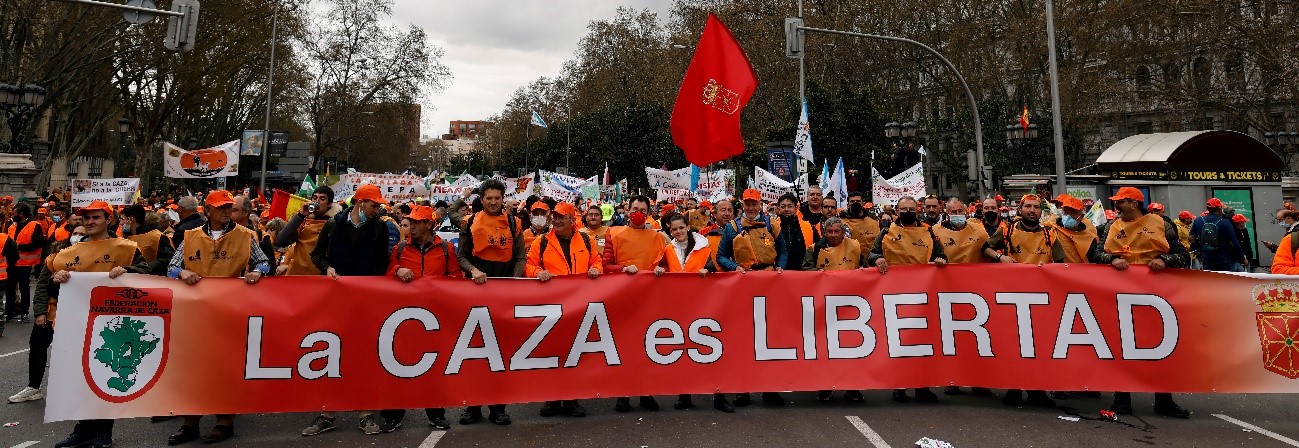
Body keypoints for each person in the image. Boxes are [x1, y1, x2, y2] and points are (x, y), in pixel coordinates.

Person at [166, 190, 271, 444]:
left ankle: (225, 423)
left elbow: (265, 262)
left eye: (229, 206)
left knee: (226, 368)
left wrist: (258, 271)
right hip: (197, 313)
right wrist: (181, 273)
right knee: (193, 369)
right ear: (207, 211)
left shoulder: (246, 236)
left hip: (230, 311)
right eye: (220, 207)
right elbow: (171, 267)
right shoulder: (190, 236)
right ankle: (189, 423)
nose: (226, 210)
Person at [47, 202, 150, 448]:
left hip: (114, 326)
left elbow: (147, 275)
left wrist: (128, 270)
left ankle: (102, 432)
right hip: (79, 324)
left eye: (95, 217)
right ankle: (83, 430)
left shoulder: (126, 248)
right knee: (81, 380)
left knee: (106, 377)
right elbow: (53, 285)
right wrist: (56, 279)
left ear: (108, 220)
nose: (90, 221)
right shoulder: (70, 251)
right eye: (87, 218)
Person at [1088, 187, 1191, 418]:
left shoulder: (1161, 224)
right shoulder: (1111, 227)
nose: (1116, 206)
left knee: (1160, 348)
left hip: (1157, 297)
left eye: (1120, 202)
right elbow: (1095, 254)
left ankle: (1164, 400)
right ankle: (1122, 399)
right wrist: (1112, 259)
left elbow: (1182, 255)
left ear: (1133, 203)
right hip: (1120, 296)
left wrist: (1164, 260)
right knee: (1121, 347)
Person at [302, 184, 393, 436]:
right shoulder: (333, 225)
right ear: (360, 203)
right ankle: (327, 413)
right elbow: (317, 255)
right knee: (332, 355)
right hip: (335, 301)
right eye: (374, 205)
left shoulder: (380, 227)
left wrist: (368, 291)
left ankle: (365, 413)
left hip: (364, 303)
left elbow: (381, 264)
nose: (378, 209)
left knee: (362, 357)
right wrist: (327, 269)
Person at [381, 205, 461, 432]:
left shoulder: (445, 249)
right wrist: (397, 269)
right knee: (398, 366)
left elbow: (455, 278)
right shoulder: (401, 248)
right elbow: (386, 275)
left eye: (416, 222)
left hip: (434, 319)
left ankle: (436, 414)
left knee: (433, 367)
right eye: (410, 222)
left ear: (429, 224)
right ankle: (393, 414)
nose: (412, 226)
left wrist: (440, 290)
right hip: (404, 317)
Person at [867, 196, 947, 404]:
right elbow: (871, 254)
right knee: (899, 341)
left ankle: (922, 388)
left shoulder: (928, 232)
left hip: (924, 295)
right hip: (895, 295)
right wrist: (878, 258)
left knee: (923, 342)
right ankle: (899, 386)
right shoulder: (886, 232)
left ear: (917, 210)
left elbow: (942, 255)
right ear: (898, 210)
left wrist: (941, 260)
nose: (908, 211)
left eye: (912, 208)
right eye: (904, 209)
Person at [650, 213, 732, 412]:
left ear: (688, 227)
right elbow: (659, 267)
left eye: (681, 228)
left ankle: (719, 395)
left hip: (705, 305)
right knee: (684, 351)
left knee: (712, 351)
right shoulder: (668, 249)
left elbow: (717, 268)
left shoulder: (704, 248)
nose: (678, 232)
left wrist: (708, 271)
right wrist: (659, 269)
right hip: (679, 306)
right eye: (674, 229)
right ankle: (684, 395)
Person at [455, 179, 521, 426]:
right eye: (489, 198)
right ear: (481, 200)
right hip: (475, 294)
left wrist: (514, 282)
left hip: (503, 296)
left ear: (503, 198)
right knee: (474, 353)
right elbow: (461, 256)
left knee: (500, 353)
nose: (493, 202)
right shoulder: (469, 223)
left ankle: (498, 407)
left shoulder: (514, 223)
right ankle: (472, 407)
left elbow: (520, 256)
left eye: (497, 198)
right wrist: (473, 271)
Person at [988, 194, 1064, 408]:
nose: (1032, 210)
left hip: (1041, 300)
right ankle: (1013, 389)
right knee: (1014, 345)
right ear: (1020, 209)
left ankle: (1036, 391)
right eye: (1028, 206)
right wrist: (1000, 257)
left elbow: (1061, 263)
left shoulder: (1050, 233)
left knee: (1038, 346)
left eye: (1036, 207)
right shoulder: (1007, 230)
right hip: (1012, 297)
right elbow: (986, 248)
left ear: (1041, 211)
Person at [524, 202, 598, 418]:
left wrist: (595, 268)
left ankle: (571, 398)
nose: (556, 220)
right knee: (552, 352)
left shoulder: (586, 240)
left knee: (575, 354)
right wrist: (537, 272)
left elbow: (597, 261)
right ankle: (552, 398)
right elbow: (528, 266)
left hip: (578, 305)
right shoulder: (543, 241)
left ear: (572, 220)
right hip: (551, 306)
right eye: (554, 217)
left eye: (561, 217)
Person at [602, 195, 666, 413]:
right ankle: (624, 394)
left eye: (642, 209)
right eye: (634, 208)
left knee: (648, 346)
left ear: (648, 212)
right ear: (628, 210)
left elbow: (666, 264)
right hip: (624, 298)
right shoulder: (614, 233)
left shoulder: (658, 237)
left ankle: (647, 393)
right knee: (625, 347)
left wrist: (661, 270)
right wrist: (623, 269)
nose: (637, 212)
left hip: (649, 299)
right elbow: (606, 265)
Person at [802, 216, 868, 404]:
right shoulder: (814, 249)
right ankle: (825, 386)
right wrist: (816, 275)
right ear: (825, 232)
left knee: (852, 346)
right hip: (825, 305)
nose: (833, 235)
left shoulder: (855, 246)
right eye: (829, 231)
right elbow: (805, 270)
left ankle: (852, 387)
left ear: (842, 232)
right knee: (827, 347)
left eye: (836, 231)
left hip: (851, 304)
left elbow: (864, 267)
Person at [717, 189, 788, 274]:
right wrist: (735, 267)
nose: (751, 208)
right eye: (747, 204)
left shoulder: (772, 224)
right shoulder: (732, 227)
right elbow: (721, 256)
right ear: (743, 205)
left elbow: (783, 251)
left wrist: (780, 266)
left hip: (768, 276)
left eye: (754, 204)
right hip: (743, 276)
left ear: (760, 205)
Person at [275, 186, 340, 275]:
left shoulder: (335, 223)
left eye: (322, 199)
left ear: (329, 204)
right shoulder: (303, 221)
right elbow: (281, 241)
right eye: (315, 198)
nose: (317, 201)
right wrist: (300, 215)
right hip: (297, 275)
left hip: (321, 277)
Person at [7, 203, 45, 323]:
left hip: (25, 263)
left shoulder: (34, 225)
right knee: (10, 288)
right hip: (11, 263)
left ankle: (24, 311)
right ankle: (9, 312)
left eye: (15, 213)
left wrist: (21, 247)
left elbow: (39, 243)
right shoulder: (11, 226)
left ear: (21, 214)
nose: (13, 216)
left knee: (24, 288)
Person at [1190, 197, 1246, 272]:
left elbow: (1191, 238)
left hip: (1207, 258)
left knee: (1212, 281)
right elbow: (1234, 242)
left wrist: (1200, 249)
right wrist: (1243, 259)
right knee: (1228, 281)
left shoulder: (1198, 220)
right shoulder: (1225, 222)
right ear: (1219, 208)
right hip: (1224, 259)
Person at [120, 205, 176, 275]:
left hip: (150, 280)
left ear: (131, 219)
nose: (121, 223)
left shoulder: (158, 237)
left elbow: (168, 259)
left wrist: (145, 268)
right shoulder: (125, 237)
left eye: (122, 219)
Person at [931, 198, 990, 265]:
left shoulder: (978, 229)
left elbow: (989, 249)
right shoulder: (936, 231)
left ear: (965, 212)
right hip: (950, 273)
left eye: (960, 211)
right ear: (947, 215)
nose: (958, 214)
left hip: (974, 272)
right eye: (954, 212)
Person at [232, 195, 279, 275]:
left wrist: (258, 271)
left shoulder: (261, 236)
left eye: (234, 210)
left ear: (246, 212)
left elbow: (270, 266)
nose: (229, 213)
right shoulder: (222, 233)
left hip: (250, 284)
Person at [1049, 194, 1099, 264]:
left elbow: (1095, 257)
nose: (1068, 216)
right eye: (1066, 212)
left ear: (1081, 216)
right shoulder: (1051, 231)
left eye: (1073, 213)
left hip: (1081, 273)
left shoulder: (1090, 237)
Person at [775, 193, 814, 271]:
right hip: (779, 272)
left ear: (796, 208)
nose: (786, 209)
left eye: (790, 206)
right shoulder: (772, 226)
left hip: (803, 272)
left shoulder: (808, 226)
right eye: (783, 206)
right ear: (779, 208)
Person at [1268, 205, 1299, 273]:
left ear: (1289, 218)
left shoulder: (1293, 233)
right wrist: (1273, 247)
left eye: (1280, 220)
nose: (1279, 223)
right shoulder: (1292, 236)